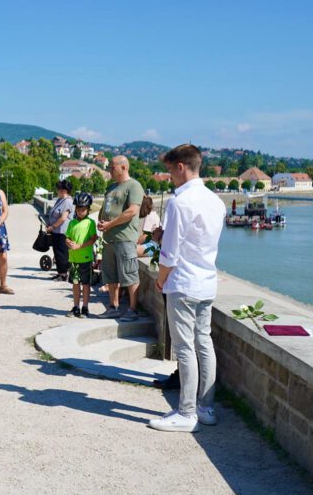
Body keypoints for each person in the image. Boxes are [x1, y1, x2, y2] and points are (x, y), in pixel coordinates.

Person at [149, 144, 226, 433]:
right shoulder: (215, 201)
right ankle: (206, 408)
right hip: (206, 282)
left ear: (181, 167)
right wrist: (164, 237)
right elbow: (197, 241)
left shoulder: (179, 202)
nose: (170, 177)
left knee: (184, 348)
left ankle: (186, 412)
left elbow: (171, 253)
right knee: (204, 343)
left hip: (183, 283)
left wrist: (161, 280)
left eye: (170, 171)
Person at [96, 155, 145, 322]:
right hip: (109, 239)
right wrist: (101, 221)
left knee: (130, 275)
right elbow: (105, 208)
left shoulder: (134, 186)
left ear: (124, 167)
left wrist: (110, 224)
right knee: (110, 276)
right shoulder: (111, 187)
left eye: (112, 166)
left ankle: (133, 309)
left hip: (124, 238)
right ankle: (113, 307)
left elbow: (132, 211)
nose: (110, 169)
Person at [65, 193, 98, 317]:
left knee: (85, 284)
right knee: (75, 283)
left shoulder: (90, 223)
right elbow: (67, 237)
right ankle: (76, 307)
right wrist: (68, 242)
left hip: (85, 258)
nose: (80, 212)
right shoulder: (72, 223)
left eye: (83, 209)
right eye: (78, 209)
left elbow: (93, 239)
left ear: (88, 209)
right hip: (73, 258)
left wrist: (80, 246)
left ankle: (85, 307)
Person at [47, 180, 74, 281]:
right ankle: (59, 272)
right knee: (57, 252)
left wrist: (53, 226)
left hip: (62, 231)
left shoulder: (68, 201)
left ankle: (63, 274)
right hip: (56, 231)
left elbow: (63, 218)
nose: (57, 191)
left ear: (64, 191)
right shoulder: (60, 200)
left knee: (62, 253)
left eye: (58, 189)